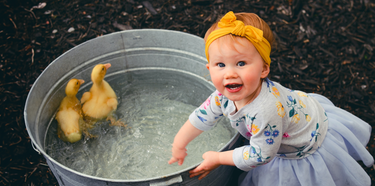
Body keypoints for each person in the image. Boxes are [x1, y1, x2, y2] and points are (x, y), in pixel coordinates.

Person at [168, 11, 374, 185]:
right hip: (293, 114)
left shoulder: (266, 111)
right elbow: (201, 116)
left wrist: (219, 158)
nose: (229, 73)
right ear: (209, 68)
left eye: (241, 63)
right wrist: (179, 143)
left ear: (264, 69)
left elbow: (261, 155)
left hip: (301, 143)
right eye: (220, 65)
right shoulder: (222, 95)